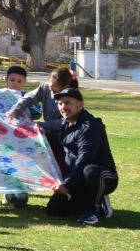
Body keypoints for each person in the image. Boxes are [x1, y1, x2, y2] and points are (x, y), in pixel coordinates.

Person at [44, 88, 118, 225]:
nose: (63, 107)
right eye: (60, 104)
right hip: (78, 177)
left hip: (102, 176)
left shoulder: (90, 127)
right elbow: (62, 147)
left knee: (90, 170)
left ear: (80, 105)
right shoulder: (67, 123)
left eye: (68, 103)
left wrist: (67, 184)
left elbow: (85, 158)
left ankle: (94, 208)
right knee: (54, 210)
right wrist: (41, 135)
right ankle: (90, 199)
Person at [5, 67, 78, 206]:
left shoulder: (70, 96)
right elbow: (29, 98)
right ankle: (20, 189)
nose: (51, 87)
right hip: (48, 135)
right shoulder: (45, 88)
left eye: (55, 86)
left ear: (64, 86)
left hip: (65, 137)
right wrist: (15, 109)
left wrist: (45, 125)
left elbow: (67, 120)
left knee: (64, 166)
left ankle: (69, 192)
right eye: (50, 83)